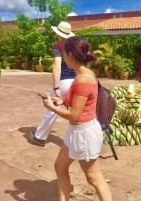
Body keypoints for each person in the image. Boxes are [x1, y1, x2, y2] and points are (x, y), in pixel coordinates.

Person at [41, 36, 113, 201]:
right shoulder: (83, 74)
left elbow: (74, 115)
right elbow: (74, 104)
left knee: (93, 178)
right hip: (76, 132)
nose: (63, 57)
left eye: (64, 53)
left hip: (84, 133)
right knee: (60, 167)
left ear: (71, 55)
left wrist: (52, 108)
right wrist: (60, 101)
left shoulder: (82, 80)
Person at [29, 21, 75, 146]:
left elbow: (57, 67)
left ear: (57, 34)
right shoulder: (75, 46)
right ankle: (82, 142)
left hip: (64, 82)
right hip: (78, 82)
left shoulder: (58, 47)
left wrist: (56, 87)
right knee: (78, 111)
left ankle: (40, 137)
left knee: (52, 109)